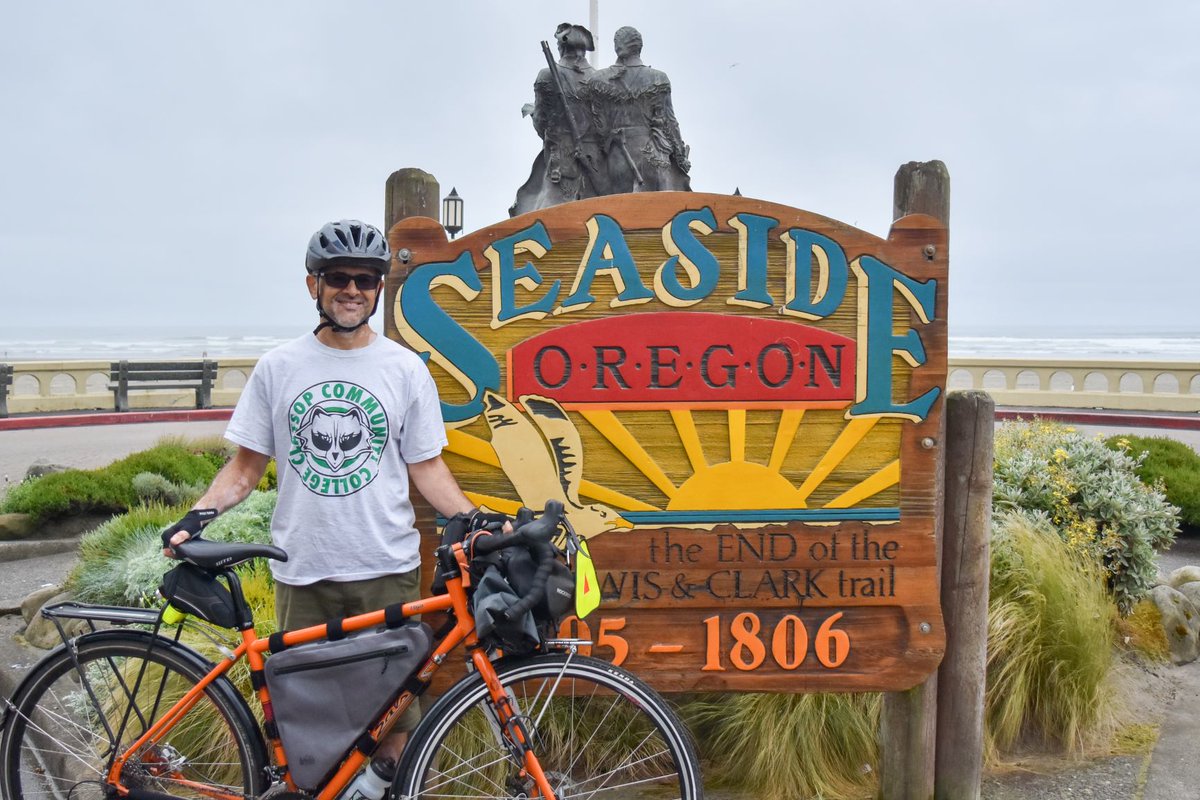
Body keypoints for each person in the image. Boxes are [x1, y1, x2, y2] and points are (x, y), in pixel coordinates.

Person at [161, 219, 487, 776]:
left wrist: (478, 521)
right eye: (338, 277)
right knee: (306, 732)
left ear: (379, 288)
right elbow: (244, 469)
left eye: (365, 278)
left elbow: (427, 468)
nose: (352, 289)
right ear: (313, 284)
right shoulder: (278, 368)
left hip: (385, 570)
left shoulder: (405, 369)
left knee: (394, 731)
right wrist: (197, 516)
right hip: (302, 572)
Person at [510, 23, 606, 215]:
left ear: (561, 47)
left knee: (549, 215)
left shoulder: (547, 76)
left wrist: (533, 114)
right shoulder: (601, 78)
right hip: (598, 160)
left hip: (561, 160)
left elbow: (541, 124)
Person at [585, 26, 692, 193]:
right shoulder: (659, 78)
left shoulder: (598, 80)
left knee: (620, 210)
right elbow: (670, 122)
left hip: (619, 154)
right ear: (639, 47)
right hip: (654, 154)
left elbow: (600, 127)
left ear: (617, 46)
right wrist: (681, 158)